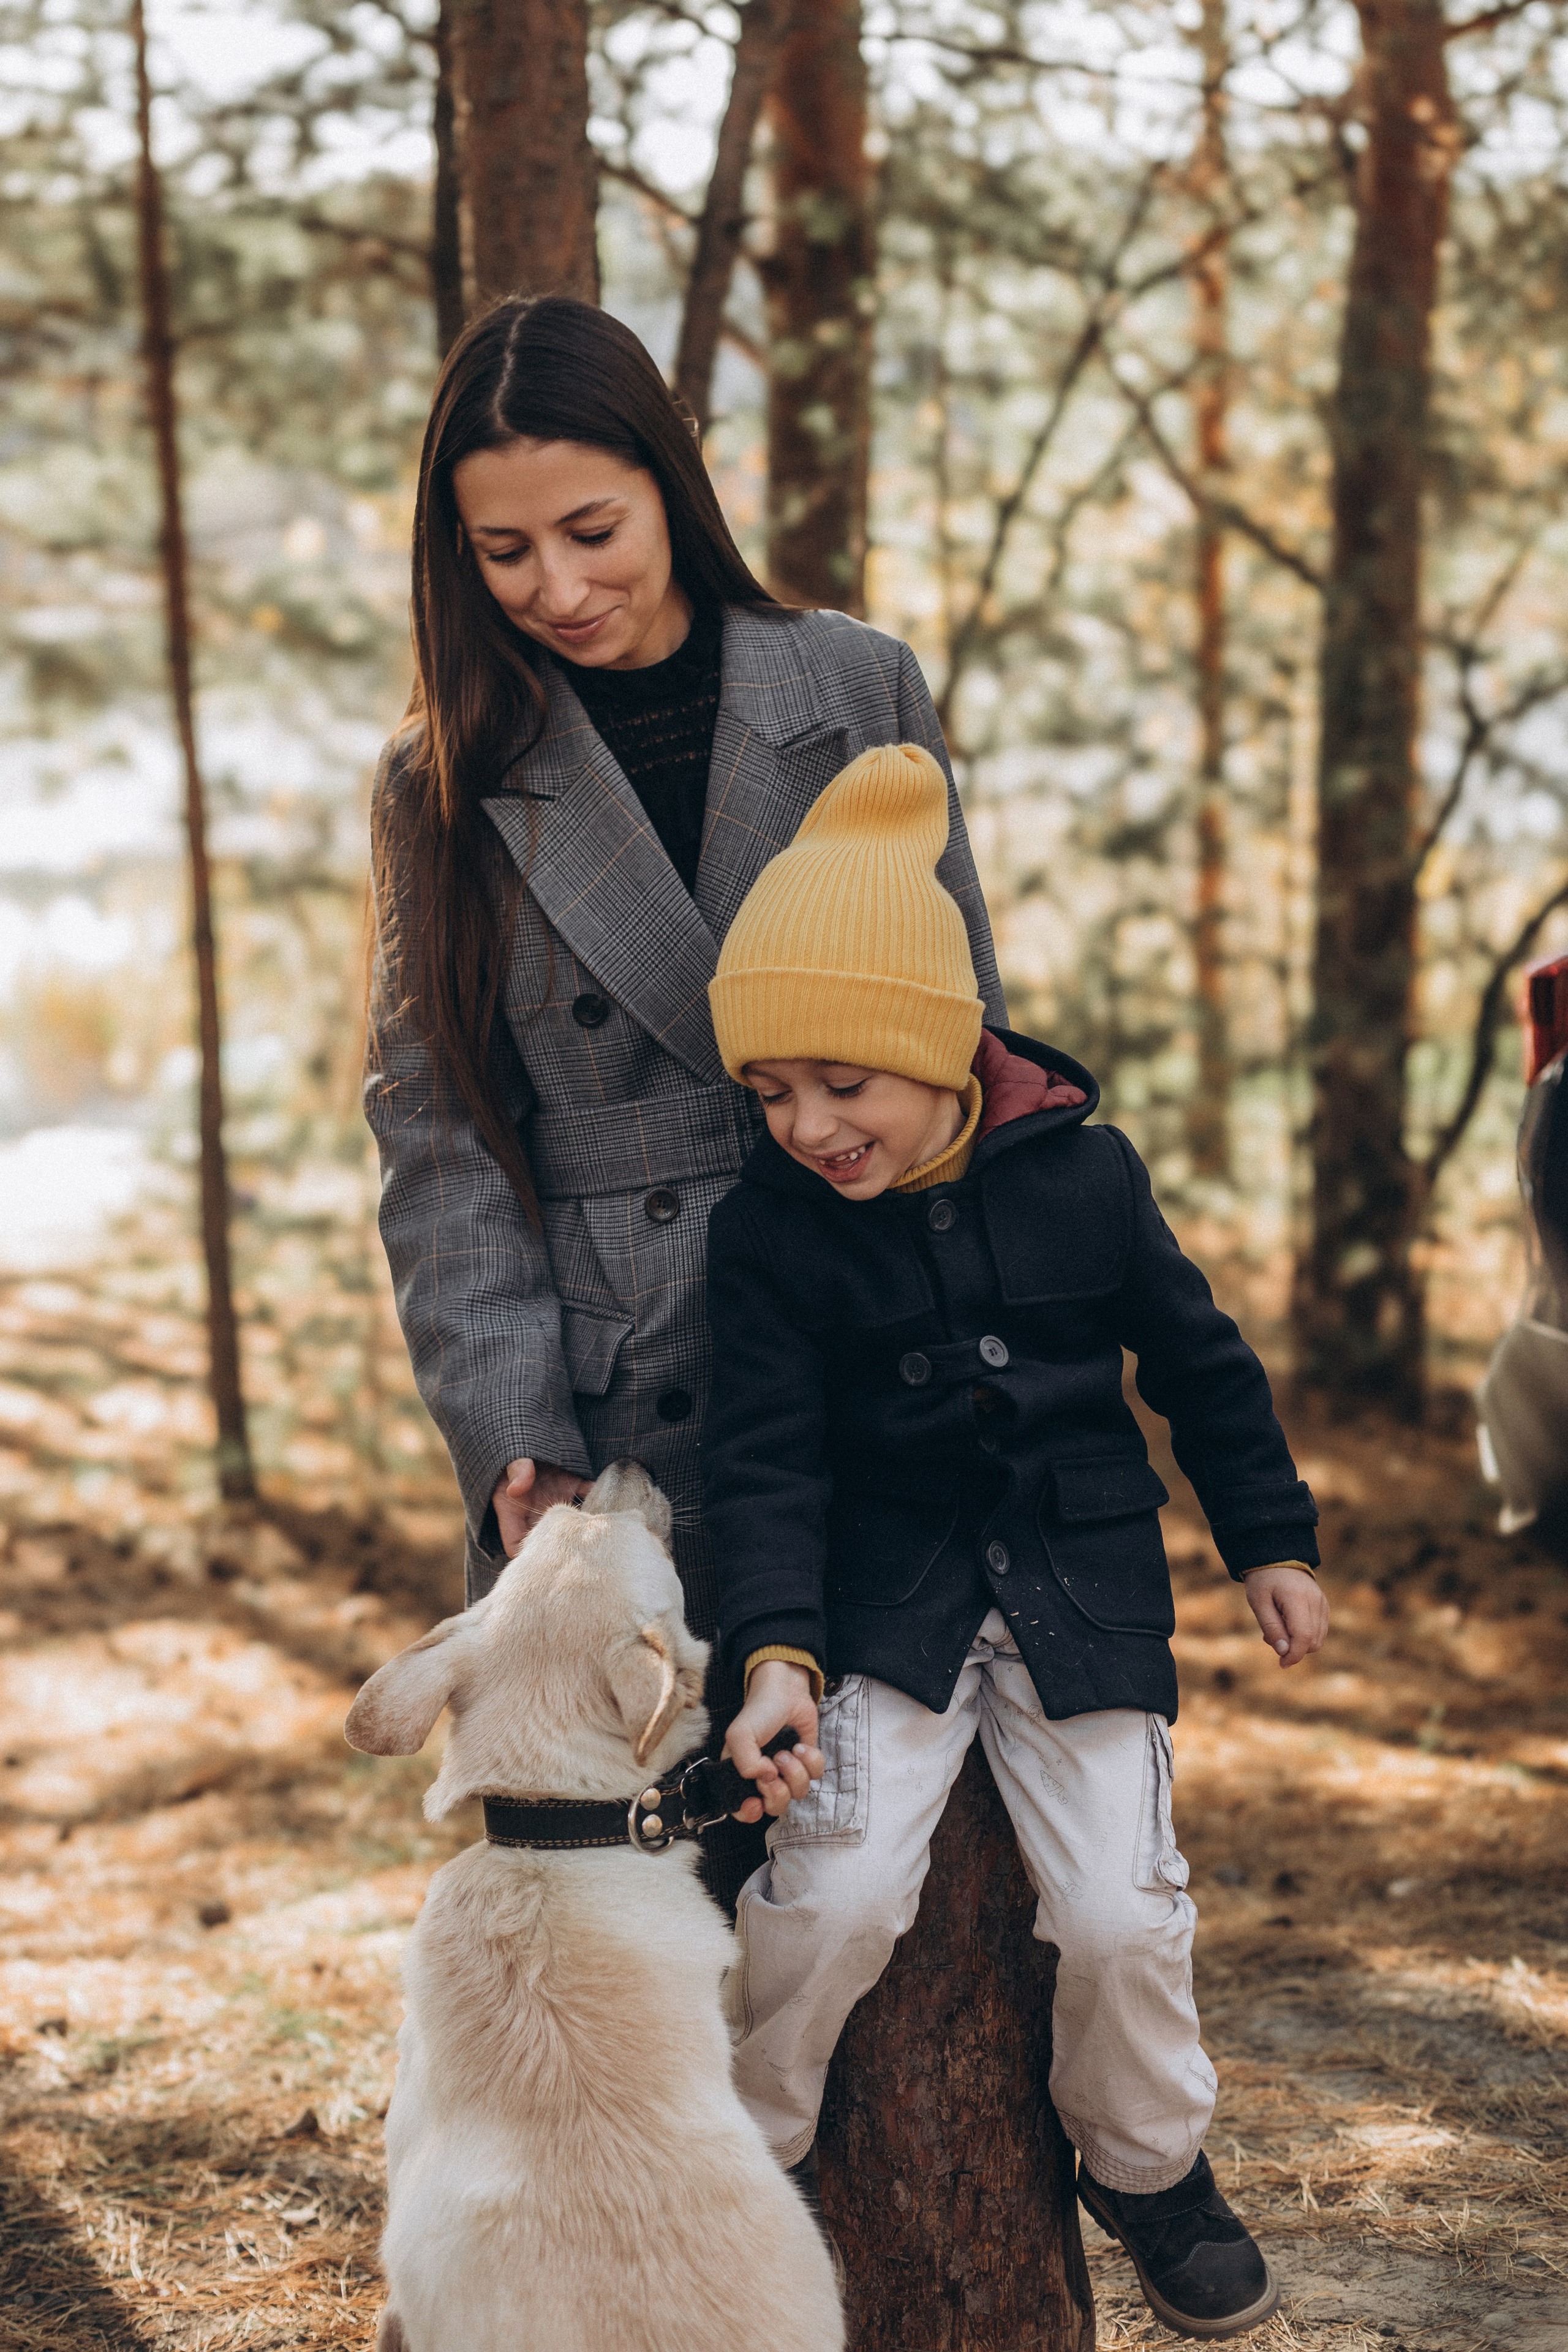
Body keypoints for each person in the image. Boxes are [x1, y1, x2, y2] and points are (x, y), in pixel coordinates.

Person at [363, 295, 1001, 1904]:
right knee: (631, 1894)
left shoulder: (855, 686)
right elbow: (437, 1138)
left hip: (870, 1322)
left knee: (891, 1865)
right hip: (615, 1405)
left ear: (670, 478)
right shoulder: (441, 776)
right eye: (505, 554)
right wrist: (516, 1434)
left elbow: (958, 1025)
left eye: (592, 530)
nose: (558, 590)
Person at [701, 742, 1330, 2340]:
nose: (807, 1125)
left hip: (1082, 1593)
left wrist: (1269, 1538)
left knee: (1123, 1911)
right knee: (829, 1894)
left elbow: (1201, 1364)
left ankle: (1149, 2162)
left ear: (939, 1047)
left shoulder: (1086, 1179)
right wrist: (774, 1652)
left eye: (842, 1081)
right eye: (771, 1093)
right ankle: (734, 2153)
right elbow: (761, 1462)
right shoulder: (768, 1234)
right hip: (882, 1609)